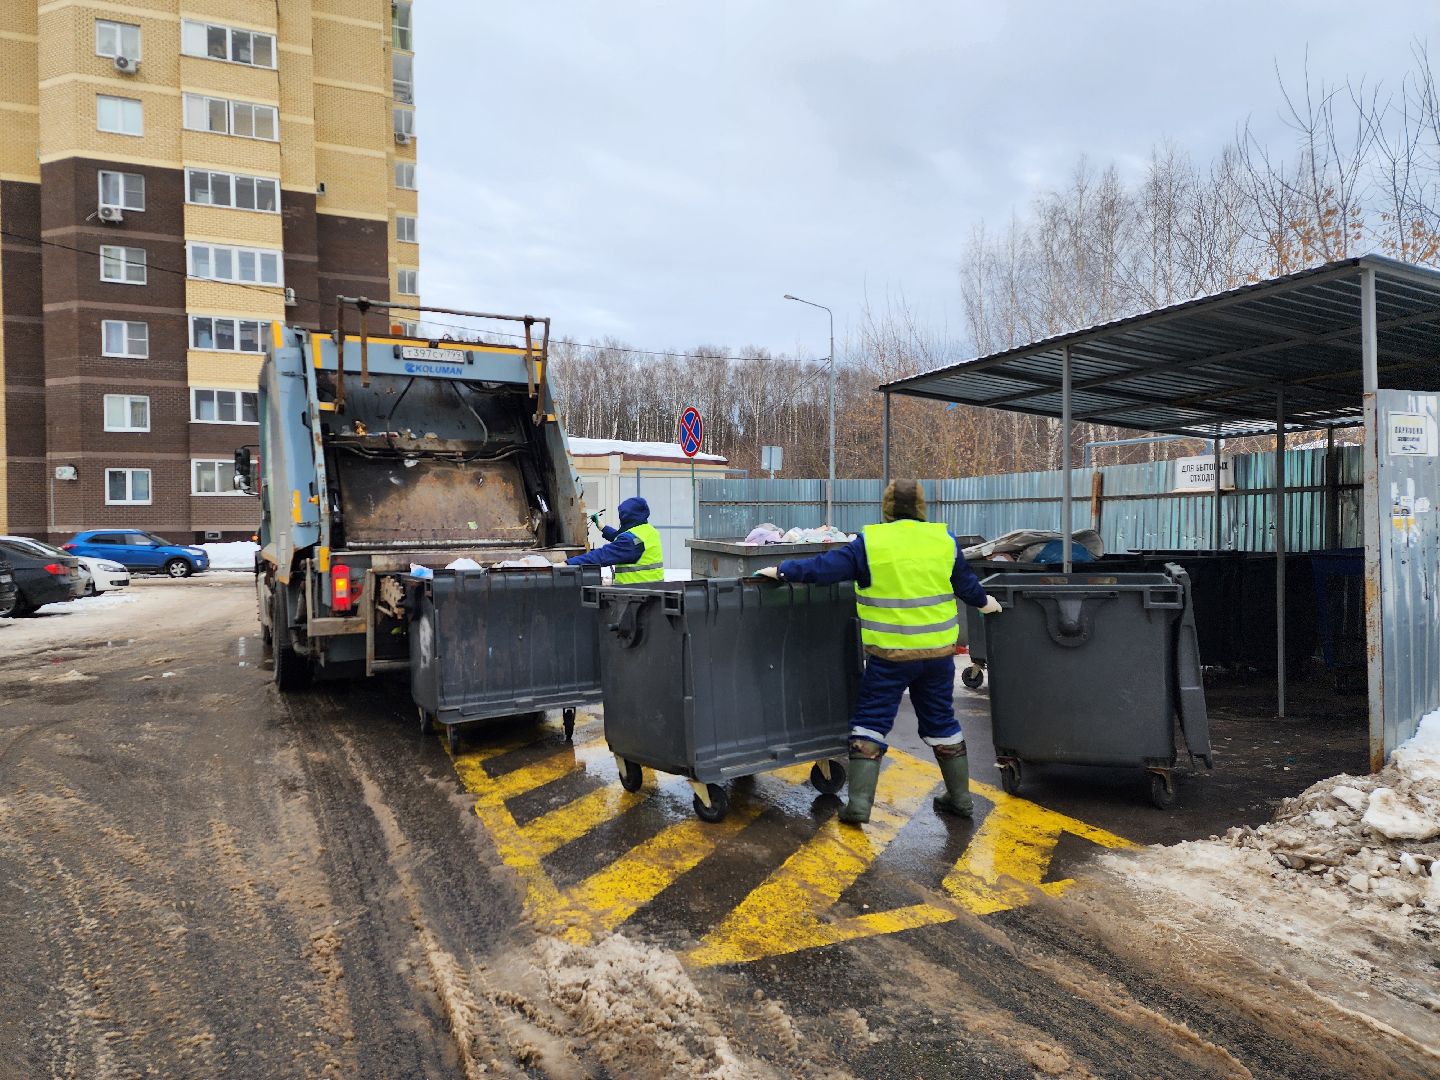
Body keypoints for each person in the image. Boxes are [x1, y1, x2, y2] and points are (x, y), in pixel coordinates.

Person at [756, 479, 1001, 825]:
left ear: (885, 508)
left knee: (871, 722)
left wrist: (782, 570)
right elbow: (967, 586)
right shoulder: (943, 541)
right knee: (942, 721)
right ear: (921, 508)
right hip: (937, 657)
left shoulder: (869, 543)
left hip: (890, 658)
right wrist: (987, 604)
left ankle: (858, 805)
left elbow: (824, 569)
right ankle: (960, 799)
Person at [566, 496, 665, 582]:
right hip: (651, 587)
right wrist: (601, 526)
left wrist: (568, 563)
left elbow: (602, 555)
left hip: (635, 594)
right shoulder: (647, 531)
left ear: (626, 517)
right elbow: (620, 538)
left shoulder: (631, 541)